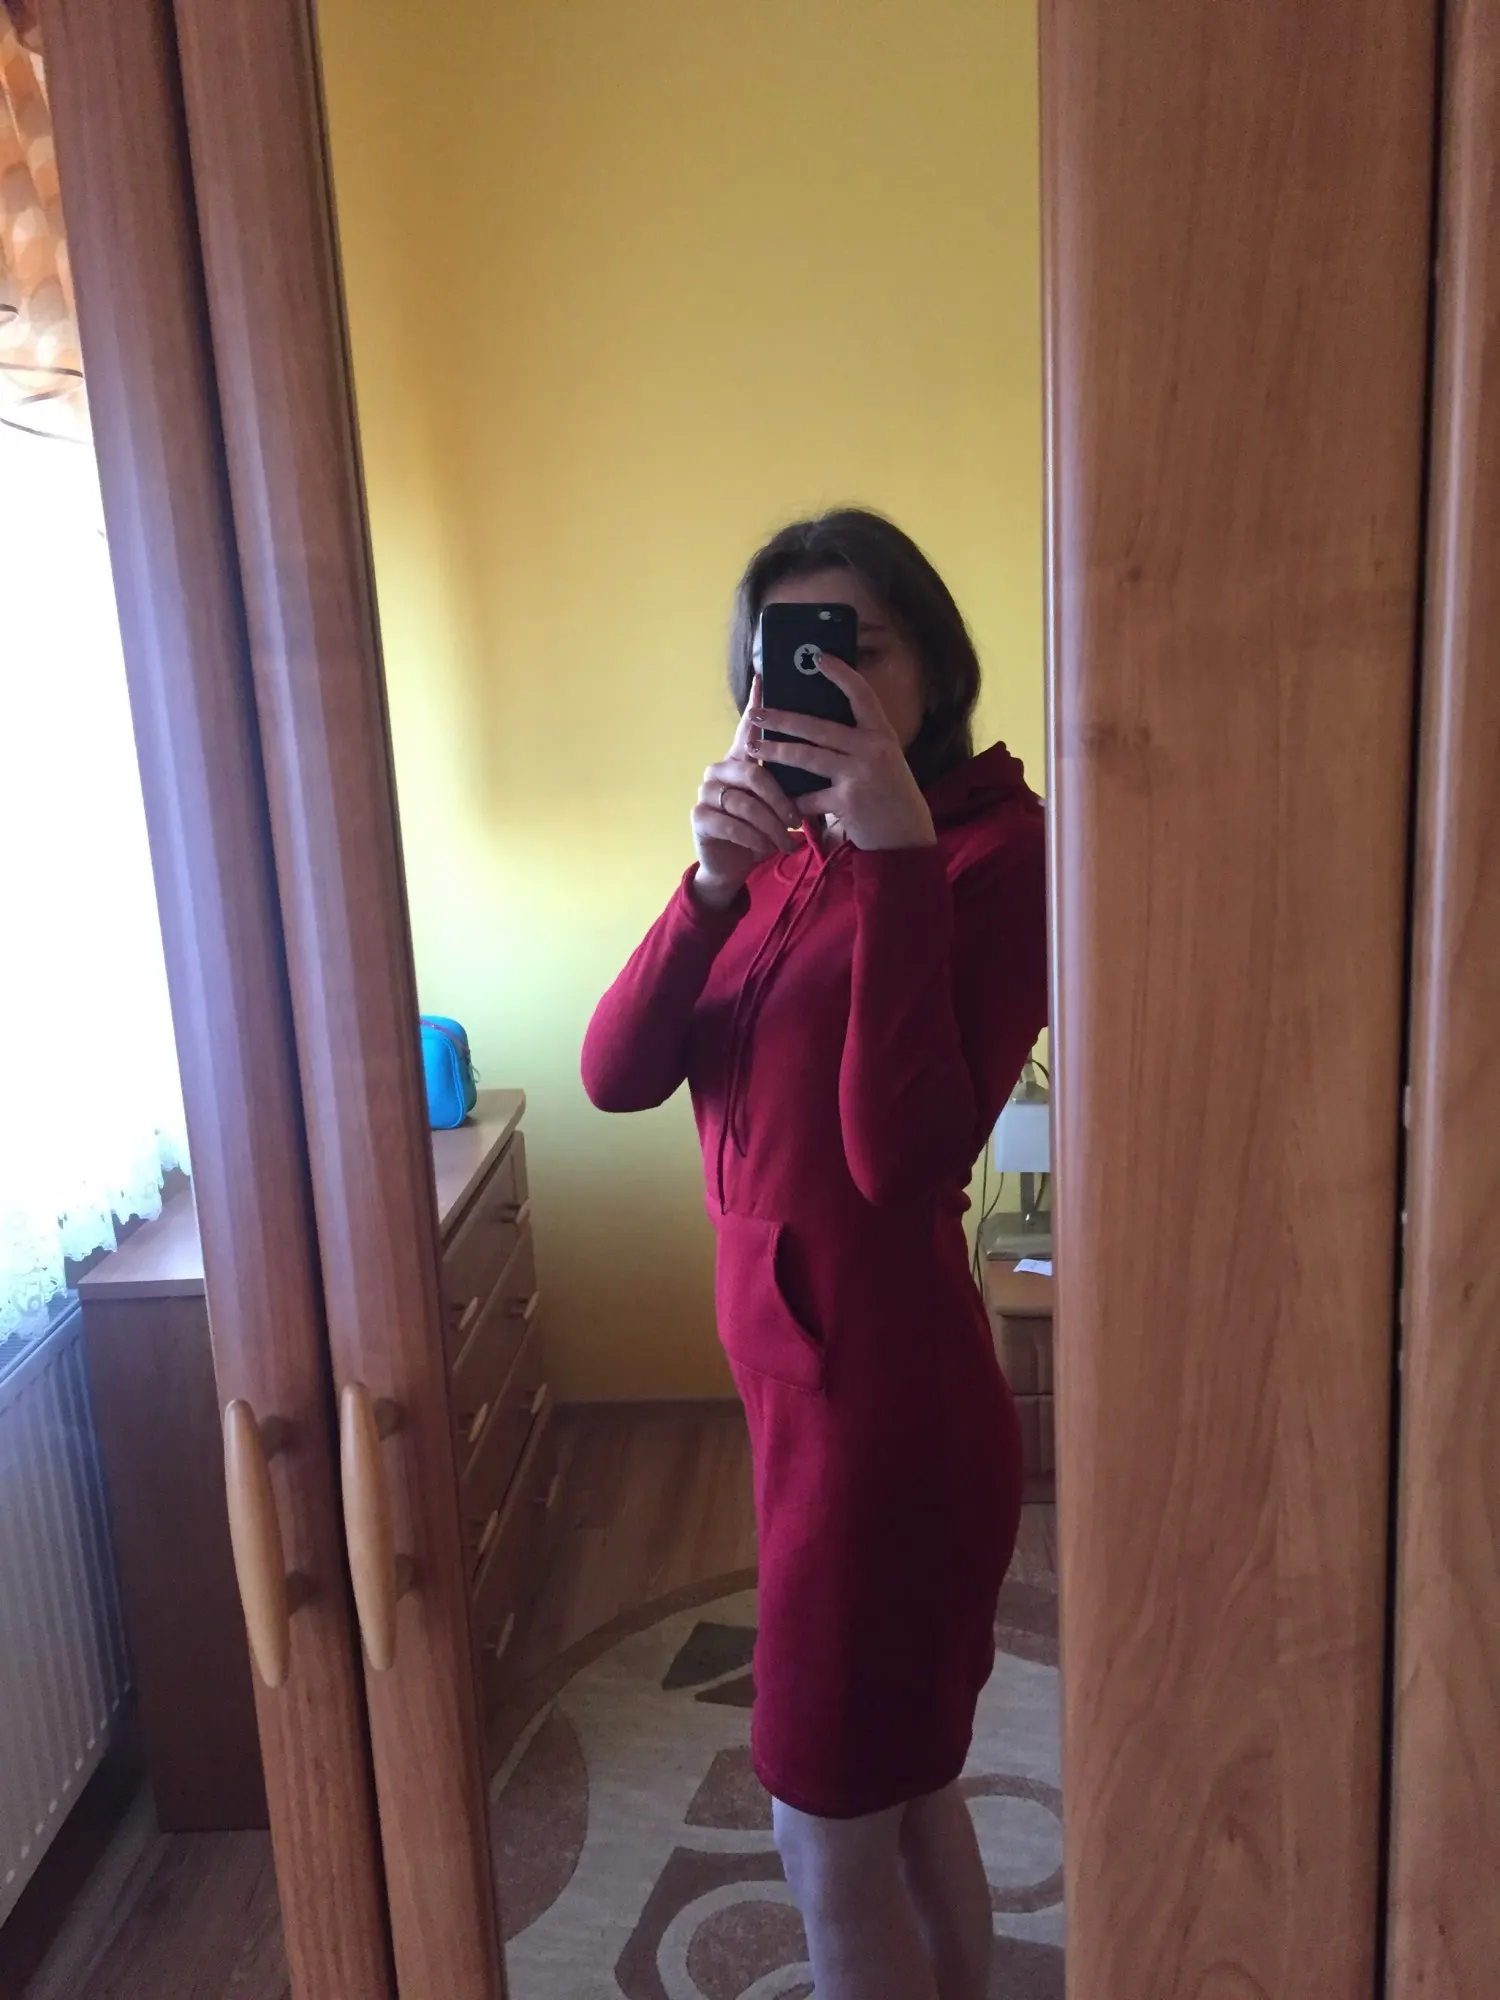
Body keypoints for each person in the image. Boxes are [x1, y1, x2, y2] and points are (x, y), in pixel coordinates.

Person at [581, 508, 1048, 1999]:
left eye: (859, 648)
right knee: (898, 1799)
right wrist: (708, 887)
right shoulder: (780, 856)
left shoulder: (998, 854)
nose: (819, 687)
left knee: (823, 1834)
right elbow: (615, 1073)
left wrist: (899, 859)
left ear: (934, 667)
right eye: (784, 662)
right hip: (794, 1398)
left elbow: (896, 1160)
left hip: (887, 1419)